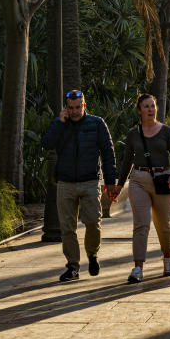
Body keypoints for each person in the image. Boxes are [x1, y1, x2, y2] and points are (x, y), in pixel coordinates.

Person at [41, 89, 118, 282]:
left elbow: (108, 153)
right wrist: (59, 122)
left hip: (90, 181)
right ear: (66, 108)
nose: (75, 111)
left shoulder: (97, 123)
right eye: (71, 108)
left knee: (93, 221)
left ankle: (92, 254)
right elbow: (47, 143)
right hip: (65, 183)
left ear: (84, 105)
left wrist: (110, 182)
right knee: (67, 228)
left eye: (78, 107)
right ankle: (73, 266)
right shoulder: (60, 124)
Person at [112, 93, 170, 283]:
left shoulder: (166, 131)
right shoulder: (133, 134)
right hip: (138, 180)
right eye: (146, 106)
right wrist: (119, 186)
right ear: (139, 111)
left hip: (163, 179)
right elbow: (127, 162)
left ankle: (167, 258)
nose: (150, 109)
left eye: (153, 106)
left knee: (162, 224)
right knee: (141, 224)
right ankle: (138, 268)